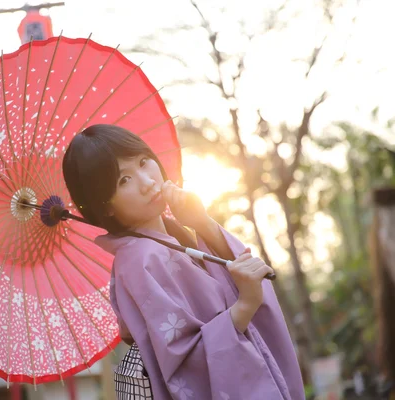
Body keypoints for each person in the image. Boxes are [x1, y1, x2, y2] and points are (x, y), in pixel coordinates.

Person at [62, 124, 305, 400]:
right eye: (124, 180)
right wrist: (246, 304)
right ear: (104, 204)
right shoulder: (142, 259)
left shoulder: (169, 238)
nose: (147, 182)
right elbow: (187, 361)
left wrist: (201, 223)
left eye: (143, 162)